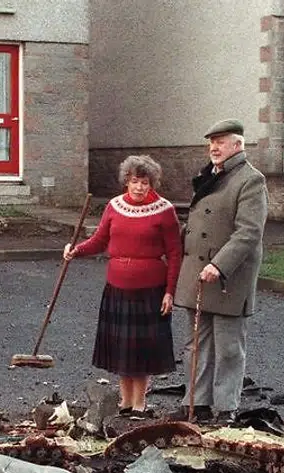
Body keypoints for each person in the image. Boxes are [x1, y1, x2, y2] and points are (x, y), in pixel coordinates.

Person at [64, 154, 183, 418]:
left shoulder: (164, 211)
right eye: (135, 181)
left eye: (145, 182)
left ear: (152, 183)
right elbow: (98, 240)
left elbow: (175, 253)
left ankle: (140, 404)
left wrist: (169, 291)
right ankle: (125, 402)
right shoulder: (114, 206)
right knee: (122, 348)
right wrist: (76, 250)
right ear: (126, 182)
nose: (140, 187)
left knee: (142, 351)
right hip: (117, 288)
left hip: (150, 291)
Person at [174, 119, 268, 424]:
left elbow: (249, 232)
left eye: (221, 141)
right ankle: (197, 402)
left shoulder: (250, 180)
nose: (214, 147)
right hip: (198, 274)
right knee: (196, 344)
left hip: (228, 277)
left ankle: (225, 409)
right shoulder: (209, 177)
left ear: (237, 145)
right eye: (211, 142)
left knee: (228, 348)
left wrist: (219, 265)